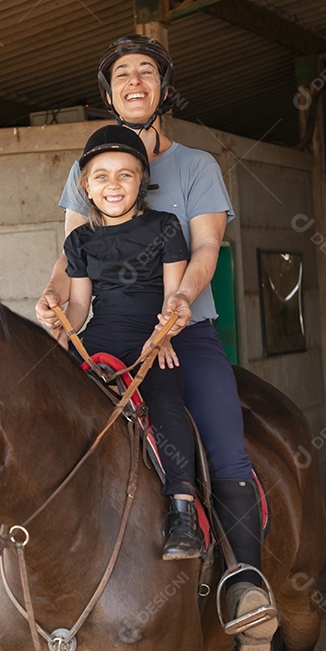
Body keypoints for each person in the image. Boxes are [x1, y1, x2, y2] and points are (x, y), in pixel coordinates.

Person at [34, 34, 277, 651]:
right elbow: (71, 256)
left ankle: (246, 584)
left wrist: (179, 305)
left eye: (147, 72)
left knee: (221, 433)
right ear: (108, 92)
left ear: (164, 89)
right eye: (122, 74)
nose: (134, 82)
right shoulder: (85, 165)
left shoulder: (196, 165)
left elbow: (205, 249)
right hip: (105, 331)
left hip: (181, 331)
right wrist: (53, 300)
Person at [60, 123, 202, 561]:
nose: (113, 185)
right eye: (101, 176)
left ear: (143, 180)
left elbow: (173, 295)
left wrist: (162, 335)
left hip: (151, 340)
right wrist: (62, 320)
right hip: (99, 339)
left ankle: (183, 512)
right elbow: (81, 306)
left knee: (165, 405)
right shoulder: (78, 240)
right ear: (85, 185)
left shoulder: (164, 227)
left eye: (126, 174)